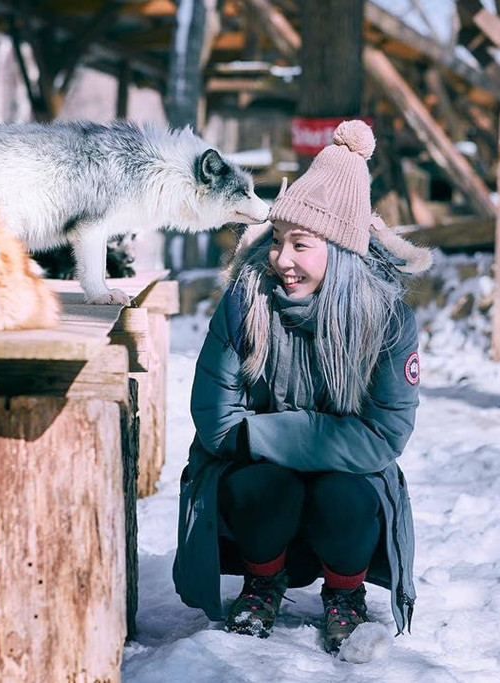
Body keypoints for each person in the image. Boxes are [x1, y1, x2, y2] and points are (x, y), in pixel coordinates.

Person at [172, 120, 432, 654]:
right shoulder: (246, 302)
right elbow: (217, 422)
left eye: (301, 245)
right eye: (278, 242)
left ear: (339, 252)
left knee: (345, 494)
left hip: (344, 482)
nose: (281, 260)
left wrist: (269, 434)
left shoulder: (386, 320)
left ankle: (345, 593)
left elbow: (384, 438)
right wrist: (316, 441)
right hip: (260, 482)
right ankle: (263, 580)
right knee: (266, 486)